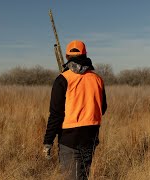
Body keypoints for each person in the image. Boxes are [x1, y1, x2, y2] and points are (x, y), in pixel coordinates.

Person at [43, 40, 107, 179]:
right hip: (91, 136)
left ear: (67, 56)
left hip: (69, 138)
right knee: (83, 176)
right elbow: (103, 108)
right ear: (85, 54)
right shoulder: (97, 79)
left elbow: (56, 115)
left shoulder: (62, 79)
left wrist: (48, 141)